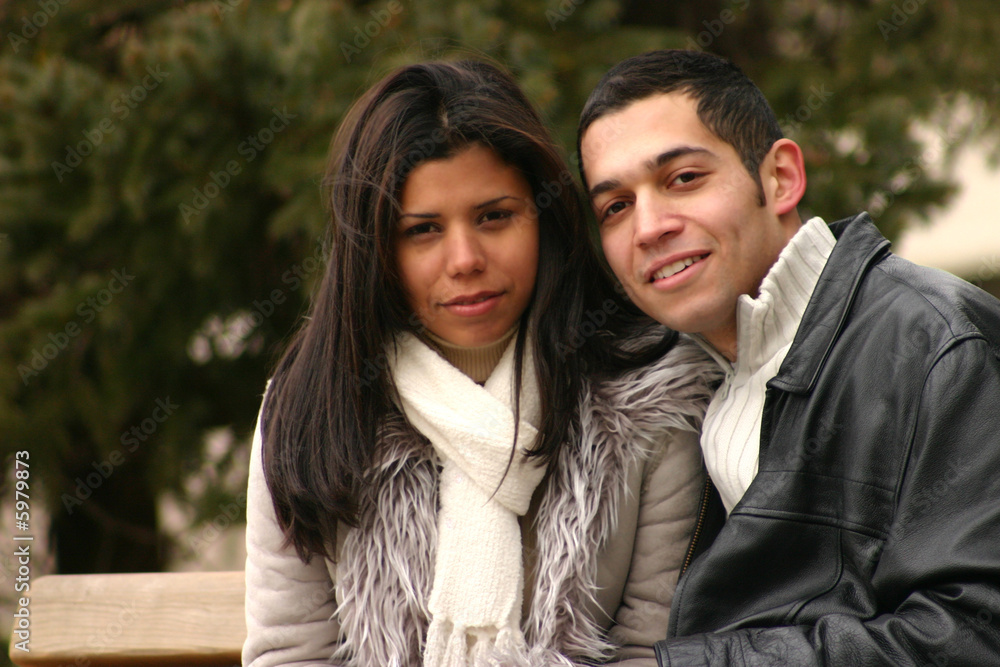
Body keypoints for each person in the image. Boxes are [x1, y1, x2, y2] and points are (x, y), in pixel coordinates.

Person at [242, 59, 719, 667]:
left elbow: (650, 650)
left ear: (544, 218)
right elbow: (292, 653)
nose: (464, 259)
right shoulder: (313, 407)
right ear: (375, 250)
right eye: (422, 230)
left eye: (494, 216)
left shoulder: (649, 394)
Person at [577, 48, 1000, 666]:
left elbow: (974, 635)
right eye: (615, 207)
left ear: (780, 178)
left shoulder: (937, 343)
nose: (648, 227)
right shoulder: (678, 390)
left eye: (683, 179)